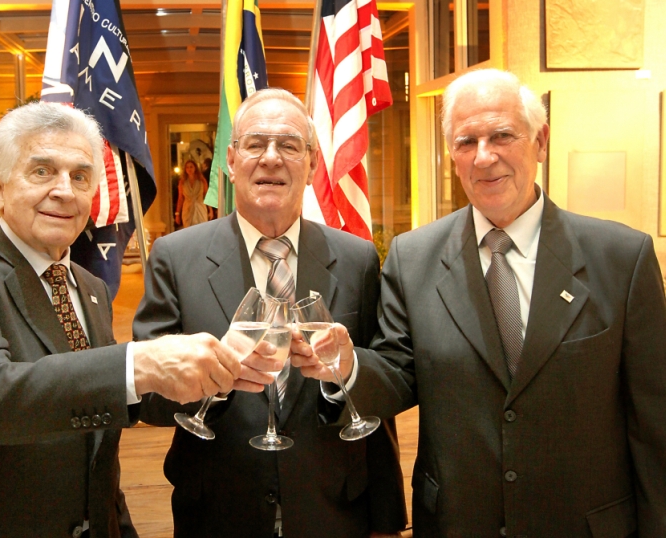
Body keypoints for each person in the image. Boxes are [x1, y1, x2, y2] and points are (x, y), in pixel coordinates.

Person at [293, 69, 666, 536]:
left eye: (502, 135)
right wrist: (348, 366)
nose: (484, 157)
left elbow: (655, 424)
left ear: (541, 141)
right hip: (457, 522)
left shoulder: (621, 259)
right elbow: (397, 373)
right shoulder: (414, 258)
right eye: (466, 142)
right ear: (451, 155)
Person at [0, 102, 274, 538]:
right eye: (41, 172)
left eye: (79, 176)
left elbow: (94, 422)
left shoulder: (90, 289)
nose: (64, 191)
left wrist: (216, 374)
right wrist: (140, 362)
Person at [134, 88, 407, 538]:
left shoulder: (357, 258)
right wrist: (212, 379)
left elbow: (385, 388)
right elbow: (147, 397)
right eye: (256, 143)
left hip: (334, 511)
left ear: (313, 163)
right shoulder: (174, 257)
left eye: (289, 145)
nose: (272, 158)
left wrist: (350, 370)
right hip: (218, 511)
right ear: (231, 158)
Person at [174, 159, 209, 228]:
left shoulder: (201, 180)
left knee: (201, 229)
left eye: (191, 167)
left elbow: (206, 195)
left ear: (195, 168)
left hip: (200, 207)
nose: (189, 169)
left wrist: (210, 210)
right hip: (187, 209)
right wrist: (177, 214)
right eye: (187, 167)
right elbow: (180, 198)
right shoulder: (182, 182)